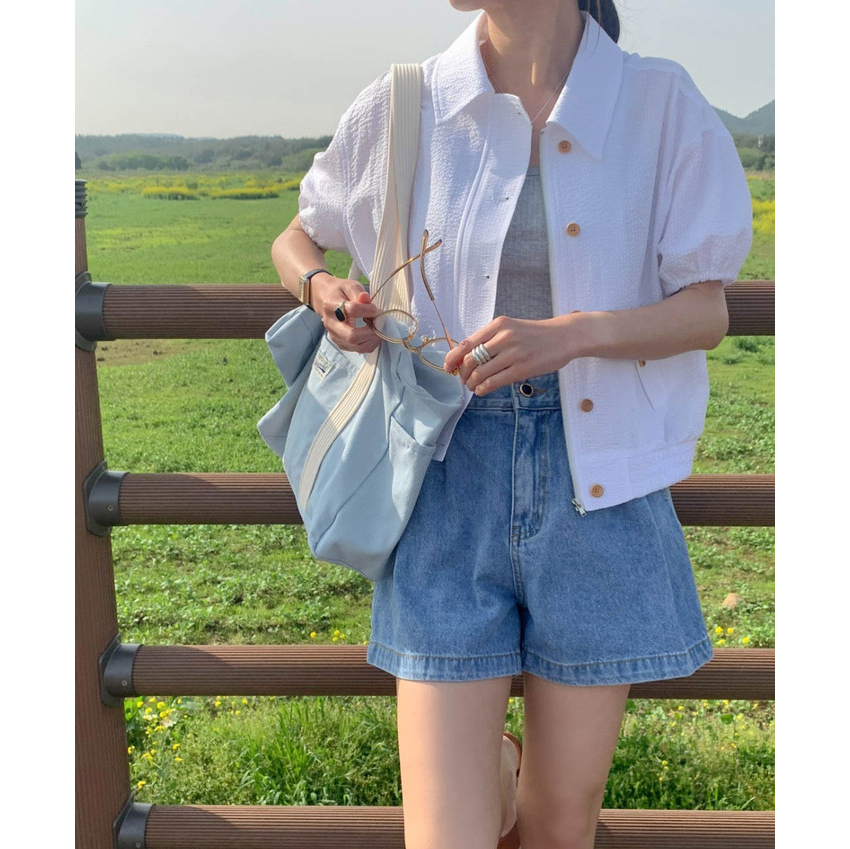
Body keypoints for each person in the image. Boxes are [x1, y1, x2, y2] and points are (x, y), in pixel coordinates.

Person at [270, 1, 753, 847]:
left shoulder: (659, 102)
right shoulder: (406, 101)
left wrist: (572, 335)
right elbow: (298, 236)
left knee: (559, 829)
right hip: (443, 475)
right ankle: (491, 770)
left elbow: (706, 309)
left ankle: (503, 774)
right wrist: (323, 288)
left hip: (599, 485)